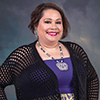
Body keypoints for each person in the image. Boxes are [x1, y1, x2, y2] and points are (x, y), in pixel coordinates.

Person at [0, 3, 99, 100]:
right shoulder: (24, 55)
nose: (54, 27)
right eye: (48, 22)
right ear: (36, 25)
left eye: (58, 22)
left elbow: (92, 79)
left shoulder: (75, 51)